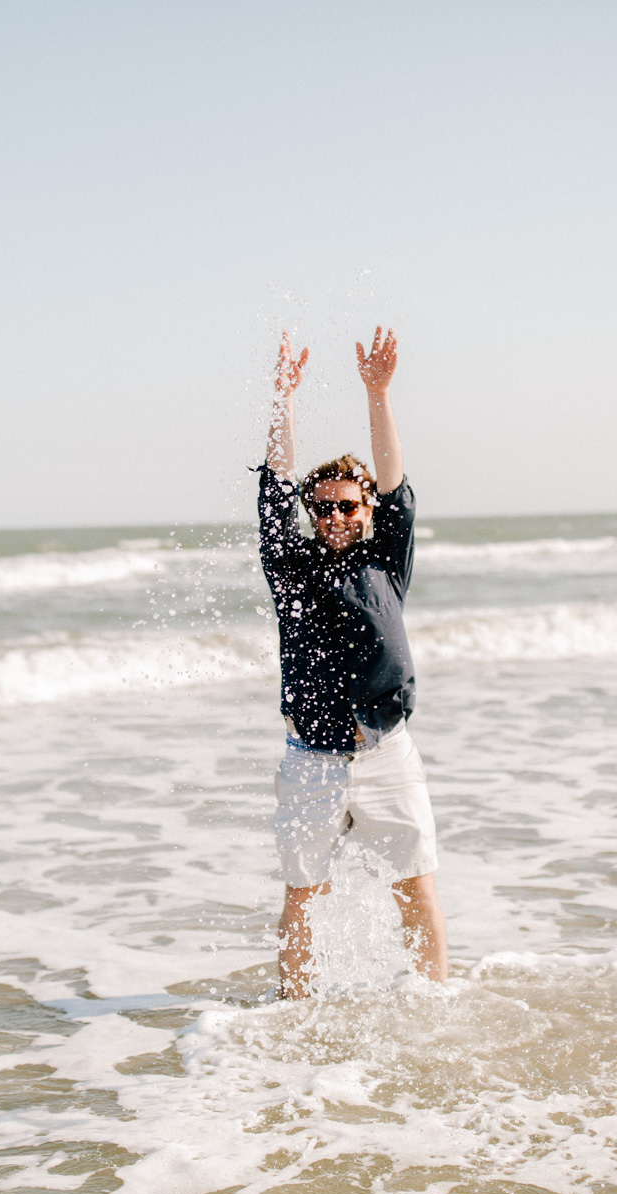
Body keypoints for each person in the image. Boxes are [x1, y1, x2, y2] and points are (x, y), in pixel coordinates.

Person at [257, 326, 448, 1000]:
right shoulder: (292, 569)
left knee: (415, 882)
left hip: (386, 752)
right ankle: (293, 1011)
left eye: (347, 504)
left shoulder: (384, 563)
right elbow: (275, 488)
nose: (334, 515)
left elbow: (396, 484)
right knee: (303, 894)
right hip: (311, 757)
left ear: (365, 510)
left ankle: (432, 1001)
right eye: (323, 506)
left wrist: (378, 394)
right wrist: (284, 399)